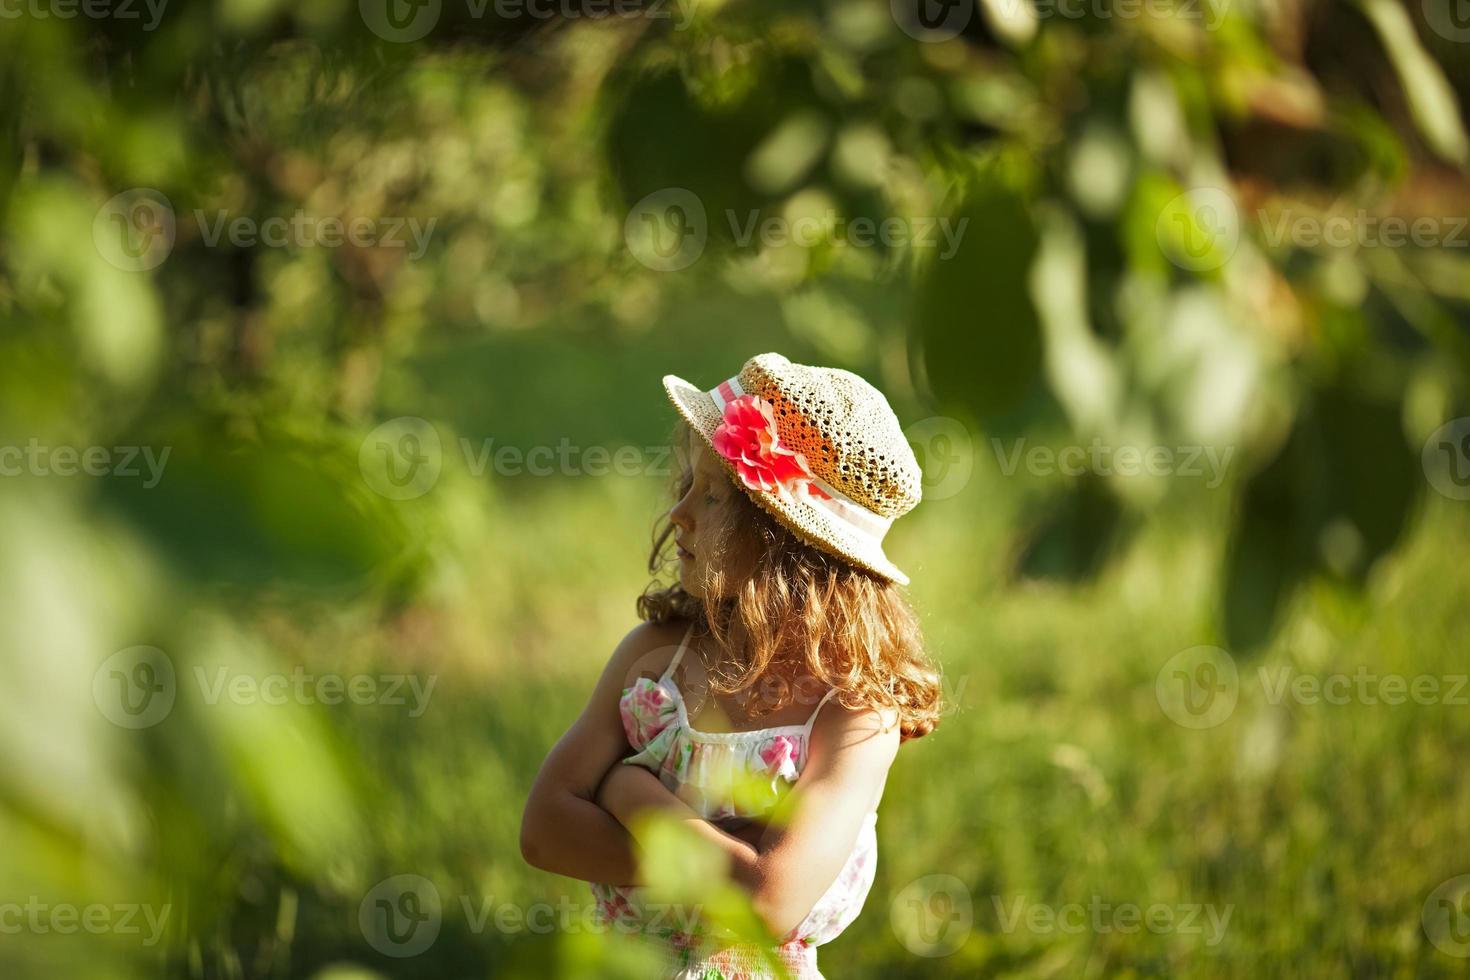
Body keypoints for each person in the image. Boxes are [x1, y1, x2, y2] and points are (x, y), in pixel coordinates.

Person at [521, 352, 943, 978]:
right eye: (688, 484)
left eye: (714, 496)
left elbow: (770, 901)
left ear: (791, 545)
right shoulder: (656, 658)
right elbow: (544, 829)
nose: (678, 512)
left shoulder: (856, 711)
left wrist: (625, 792)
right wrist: (722, 865)